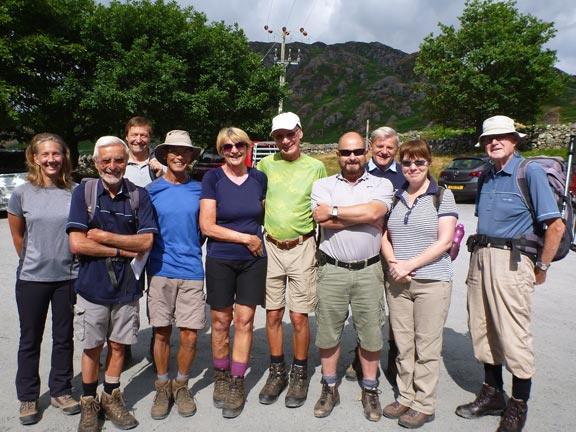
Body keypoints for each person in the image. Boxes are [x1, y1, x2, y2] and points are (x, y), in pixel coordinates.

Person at [455, 116, 564, 432]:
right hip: (481, 258)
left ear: (515, 139)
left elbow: (554, 226)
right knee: (483, 327)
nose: (494, 142)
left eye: (501, 136)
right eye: (489, 138)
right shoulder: (488, 174)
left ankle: (518, 405)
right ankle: (492, 394)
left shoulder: (529, 172)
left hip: (513, 261)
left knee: (514, 333)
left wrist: (541, 267)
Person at [67, 136, 158, 432]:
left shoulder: (139, 195)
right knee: (92, 347)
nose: (112, 166)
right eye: (105, 160)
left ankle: (111, 396)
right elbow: (78, 244)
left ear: (127, 161)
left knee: (118, 346)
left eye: (119, 160)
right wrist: (122, 250)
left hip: (126, 287)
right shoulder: (85, 192)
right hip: (92, 286)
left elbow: (146, 241)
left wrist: (104, 237)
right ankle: (89, 401)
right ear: (96, 163)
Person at [310, 132, 392, 421]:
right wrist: (362, 215)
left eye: (357, 151)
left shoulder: (381, 184)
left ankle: (369, 389)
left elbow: (375, 212)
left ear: (367, 152)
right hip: (332, 269)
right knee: (328, 333)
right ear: (338, 154)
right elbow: (322, 220)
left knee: (371, 333)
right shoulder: (323, 185)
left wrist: (336, 212)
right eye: (346, 152)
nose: (352, 157)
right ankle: (329, 386)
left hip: (369, 270)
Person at [380, 139, 458, 429]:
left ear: (429, 163)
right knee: (403, 344)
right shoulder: (396, 196)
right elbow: (384, 236)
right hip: (398, 282)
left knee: (426, 346)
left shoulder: (443, 196)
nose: (413, 167)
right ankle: (405, 397)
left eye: (419, 162)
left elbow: (445, 241)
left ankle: (424, 404)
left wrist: (409, 265)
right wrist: (393, 264)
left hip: (432, 281)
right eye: (408, 162)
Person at [7, 133, 80, 425]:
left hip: (68, 277)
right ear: (35, 158)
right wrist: (35, 259)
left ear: (64, 157)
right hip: (32, 278)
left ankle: (61, 390)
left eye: (56, 154)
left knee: (63, 338)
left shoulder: (76, 191)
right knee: (30, 338)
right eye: (45, 155)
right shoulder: (22, 193)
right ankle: (27, 395)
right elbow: (17, 235)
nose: (51, 160)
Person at [256, 112, 327, 408]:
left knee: (298, 316)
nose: (284, 140)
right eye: (278, 136)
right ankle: (277, 371)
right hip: (271, 246)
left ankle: (299, 372)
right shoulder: (264, 165)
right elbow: (255, 202)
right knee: (273, 314)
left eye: (289, 134)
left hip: (302, 246)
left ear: (299, 132)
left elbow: (323, 210)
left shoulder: (317, 167)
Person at [199, 127, 268, 418]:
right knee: (219, 321)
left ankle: (237, 381)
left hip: (253, 260)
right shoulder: (212, 178)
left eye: (239, 144)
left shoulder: (259, 178)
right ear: (221, 150)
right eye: (227, 147)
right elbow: (207, 226)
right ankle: (220, 375)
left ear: (248, 146)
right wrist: (245, 238)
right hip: (222, 257)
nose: (234, 150)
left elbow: (263, 213)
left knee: (245, 320)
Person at [145, 130, 204, 421]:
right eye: (174, 152)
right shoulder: (151, 191)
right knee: (161, 332)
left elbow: (203, 230)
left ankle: (181, 385)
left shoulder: (200, 190)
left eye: (185, 151)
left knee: (190, 335)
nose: (179, 156)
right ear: (165, 156)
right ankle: (162, 385)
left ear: (192, 156)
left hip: (192, 270)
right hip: (159, 270)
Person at [346, 125, 405, 383]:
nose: (384, 151)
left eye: (389, 147)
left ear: (396, 150)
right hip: (367, 245)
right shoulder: (358, 172)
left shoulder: (406, 174)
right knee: (365, 305)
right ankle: (361, 354)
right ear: (370, 148)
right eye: (379, 146)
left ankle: (394, 357)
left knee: (396, 304)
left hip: (397, 248)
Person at [124, 116, 164, 187]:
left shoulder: (162, 163)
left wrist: (161, 176)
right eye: (134, 135)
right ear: (127, 137)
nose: (138, 140)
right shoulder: (118, 163)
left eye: (143, 136)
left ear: (150, 138)